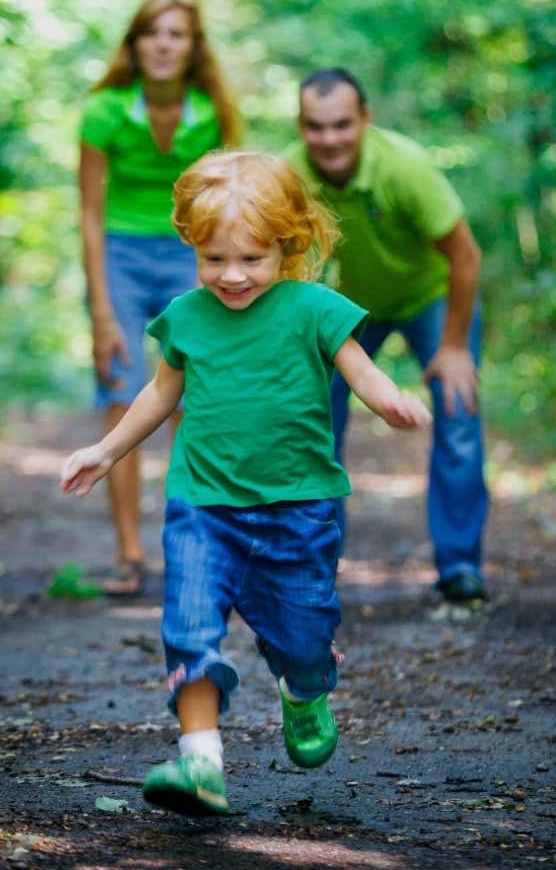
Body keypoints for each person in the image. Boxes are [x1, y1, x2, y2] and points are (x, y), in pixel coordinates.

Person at [61, 151, 430, 816]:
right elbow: (156, 394)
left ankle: (304, 685)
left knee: (303, 638)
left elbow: (361, 370)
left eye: (251, 259)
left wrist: (391, 401)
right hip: (203, 505)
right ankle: (201, 760)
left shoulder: (315, 307)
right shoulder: (187, 316)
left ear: (286, 246)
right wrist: (107, 450)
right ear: (194, 248)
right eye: (215, 259)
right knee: (189, 625)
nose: (231, 275)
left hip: (298, 509)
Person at [284, 68, 489, 604]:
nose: (329, 139)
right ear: (301, 126)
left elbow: (465, 257)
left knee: (457, 407)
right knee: (314, 423)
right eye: (315, 127)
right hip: (347, 309)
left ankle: (460, 566)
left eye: (342, 125)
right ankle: (315, 571)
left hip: (430, 298)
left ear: (366, 120)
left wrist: (452, 349)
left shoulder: (405, 169)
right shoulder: (288, 176)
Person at [78, 0, 239, 595]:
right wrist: (100, 310)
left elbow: (231, 199)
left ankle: (187, 543)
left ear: (194, 47)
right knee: (122, 393)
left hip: (189, 254)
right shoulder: (104, 111)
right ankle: (128, 553)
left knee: (189, 397)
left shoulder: (213, 111)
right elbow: (90, 213)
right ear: (136, 44)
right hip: (119, 253)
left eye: (178, 34)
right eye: (153, 33)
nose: (165, 44)